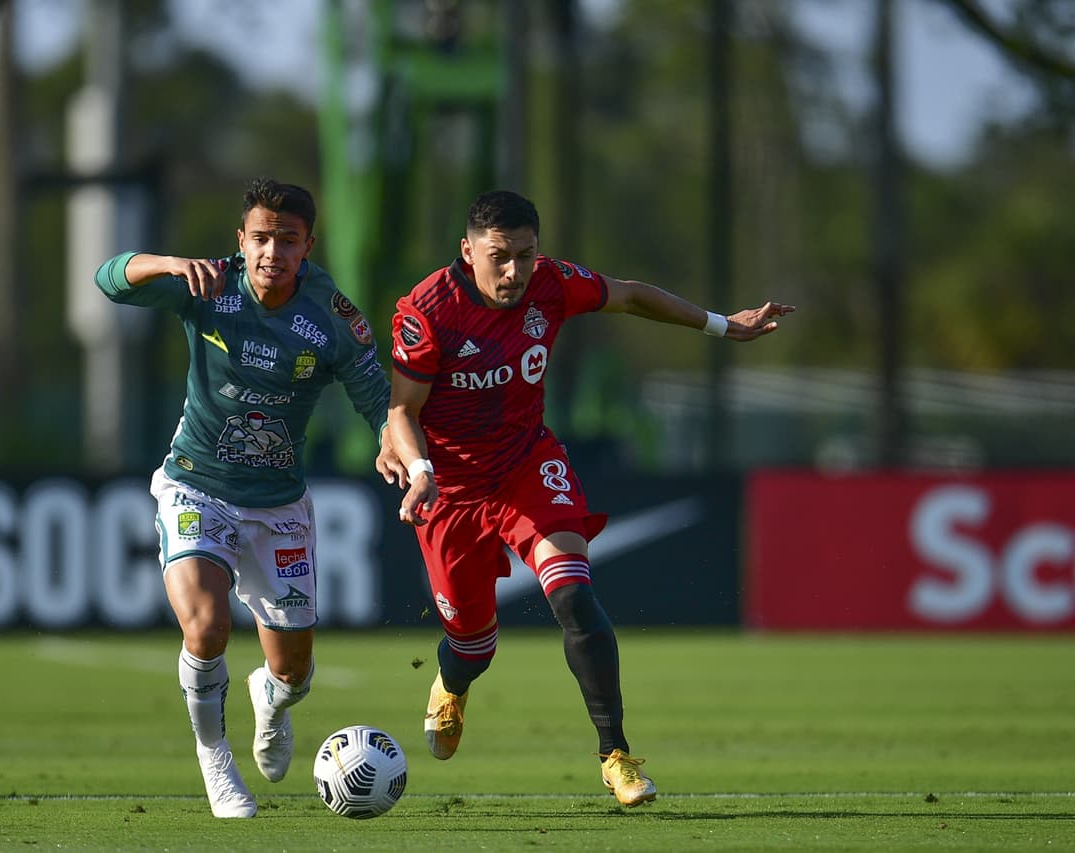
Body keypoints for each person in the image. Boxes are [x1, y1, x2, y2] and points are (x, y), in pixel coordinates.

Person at [383, 189, 794, 806]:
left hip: (527, 464)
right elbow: (401, 409)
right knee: (473, 643)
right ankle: (451, 680)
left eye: (526, 254)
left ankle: (616, 755)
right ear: (467, 252)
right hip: (451, 488)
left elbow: (628, 294)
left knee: (573, 593)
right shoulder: (428, 310)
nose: (516, 271)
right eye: (500, 256)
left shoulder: (552, 284)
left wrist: (720, 325)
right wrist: (419, 470)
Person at [94, 179, 398, 819]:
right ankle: (217, 764)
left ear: (308, 246)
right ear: (242, 240)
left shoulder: (332, 317)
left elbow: (378, 397)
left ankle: (272, 698)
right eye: (260, 238)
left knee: (295, 673)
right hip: (195, 485)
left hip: (280, 507)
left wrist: (394, 445)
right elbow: (109, 278)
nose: (272, 253)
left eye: (287, 241)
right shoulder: (206, 285)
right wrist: (168, 264)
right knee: (206, 626)